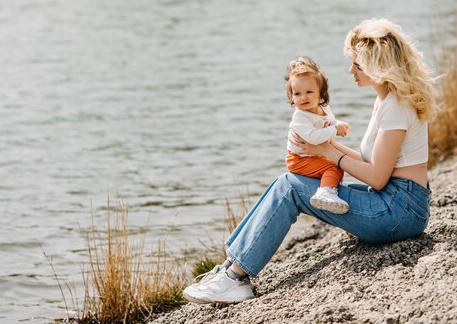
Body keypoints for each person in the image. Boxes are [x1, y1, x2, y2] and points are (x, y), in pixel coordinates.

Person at [183, 18, 437, 304]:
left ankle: (235, 278)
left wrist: (329, 153)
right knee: (285, 182)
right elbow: (373, 164)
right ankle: (230, 268)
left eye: (357, 64)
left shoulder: (397, 106)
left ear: (377, 66)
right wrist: (323, 146)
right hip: (395, 204)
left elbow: (377, 177)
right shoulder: (386, 101)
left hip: (399, 213)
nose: (350, 70)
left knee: (290, 188)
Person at [284, 56, 351, 214]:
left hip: (314, 154)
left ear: (321, 93)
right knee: (333, 166)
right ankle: (325, 192)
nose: (303, 97)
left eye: (309, 92)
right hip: (299, 159)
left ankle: (329, 188)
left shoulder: (324, 107)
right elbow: (313, 138)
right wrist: (334, 130)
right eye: (297, 94)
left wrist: (338, 125)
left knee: (341, 163)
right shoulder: (299, 117)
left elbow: (329, 121)